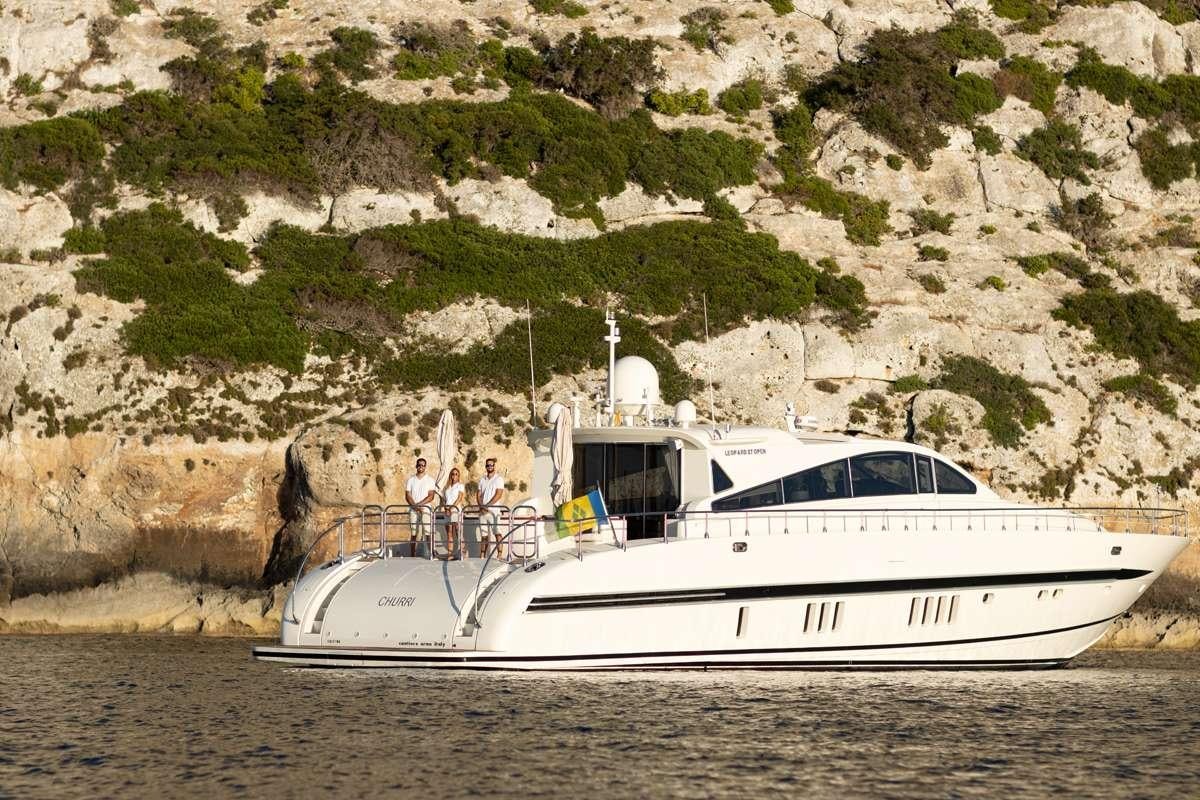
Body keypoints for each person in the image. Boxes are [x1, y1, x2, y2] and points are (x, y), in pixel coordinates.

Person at [404, 458, 436, 557]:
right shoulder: (411, 480)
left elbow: (431, 496)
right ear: (416, 466)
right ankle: (412, 554)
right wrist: (415, 507)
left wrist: (419, 505)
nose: (421, 467)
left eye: (423, 465)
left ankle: (431, 554)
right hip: (414, 509)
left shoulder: (430, 480)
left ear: (425, 467)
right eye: (419, 465)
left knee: (427, 532)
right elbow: (408, 496)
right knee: (414, 533)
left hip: (425, 509)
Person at [477, 457, 506, 560]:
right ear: (485, 467)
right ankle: (482, 555)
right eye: (488, 465)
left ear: (494, 466)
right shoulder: (482, 479)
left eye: (491, 465)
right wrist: (481, 506)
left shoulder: (499, 479)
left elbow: (498, 494)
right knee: (483, 535)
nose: (489, 467)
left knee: (497, 532)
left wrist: (487, 506)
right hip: (483, 512)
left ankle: (499, 554)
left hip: (494, 511)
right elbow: (478, 494)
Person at [442, 467, 466, 559]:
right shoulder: (447, 487)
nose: (454, 476)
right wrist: (445, 508)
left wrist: (451, 509)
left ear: (458, 476)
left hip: (455, 510)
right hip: (447, 511)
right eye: (452, 474)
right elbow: (444, 499)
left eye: (456, 474)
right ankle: (450, 554)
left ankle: (463, 552)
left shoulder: (460, 485)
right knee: (449, 532)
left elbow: (459, 498)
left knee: (458, 531)